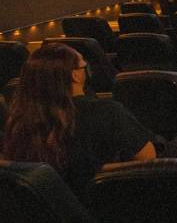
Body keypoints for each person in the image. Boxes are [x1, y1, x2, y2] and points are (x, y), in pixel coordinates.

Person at [3, 43, 155, 196]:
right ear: (75, 75)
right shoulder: (108, 111)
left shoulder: (18, 118)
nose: (87, 68)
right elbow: (147, 159)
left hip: (48, 208)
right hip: (101, 202)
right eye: (83, 64)